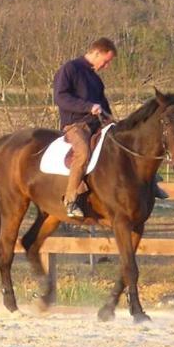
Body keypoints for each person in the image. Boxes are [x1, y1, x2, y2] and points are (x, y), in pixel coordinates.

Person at [53, 38, 117, 219]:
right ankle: (71, 200)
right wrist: (87, 107)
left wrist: (113, 121)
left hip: (97, 125)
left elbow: (104, 107)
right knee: (82, 153)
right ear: (96, 53)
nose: (106, 66)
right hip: (76, 126)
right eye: (106, 61)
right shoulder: (70, 69)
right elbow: (61, 98)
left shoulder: (96, 79)